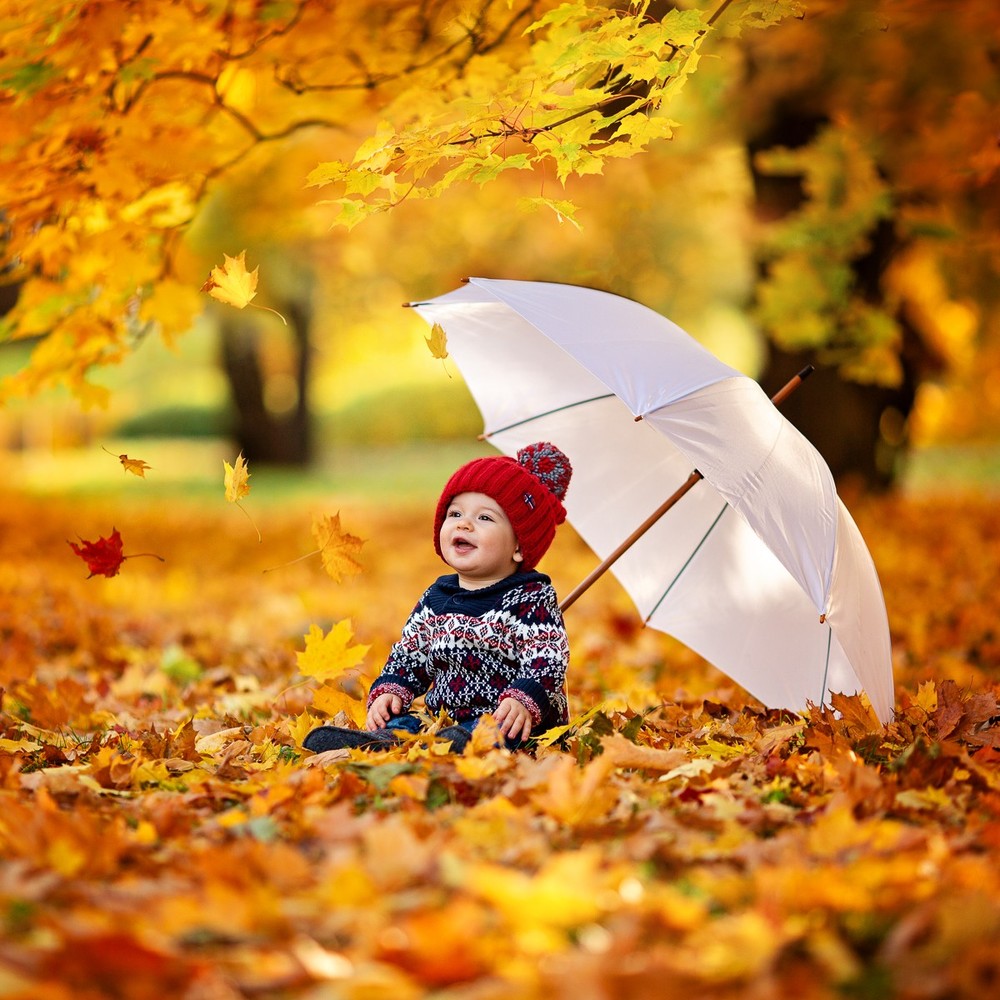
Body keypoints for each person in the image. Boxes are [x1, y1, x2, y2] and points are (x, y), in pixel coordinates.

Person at [302, 441, 572, 755]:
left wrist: (523, 698)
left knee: (496, 731)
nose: (465, 523)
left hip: (512, 720)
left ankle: (463, 743)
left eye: (485, 518)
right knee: (412, 723)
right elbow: (409, 654)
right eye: (455, 513)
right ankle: (385, 741)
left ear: (519, 547)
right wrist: (393, 688)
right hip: (443, 719)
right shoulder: (436, 598)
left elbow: (548, 660)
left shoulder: (531, 599)